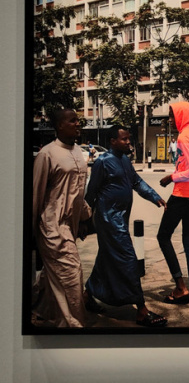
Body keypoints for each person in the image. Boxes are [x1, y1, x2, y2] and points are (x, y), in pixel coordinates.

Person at [84, 125, 168, 327]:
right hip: (108, 219)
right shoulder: (103, 162)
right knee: (129, 259)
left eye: (129, 139)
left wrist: (155, 197)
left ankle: (87, 296)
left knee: (106, 258)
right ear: (112, 141)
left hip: (121, 217)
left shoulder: (124, 160)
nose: (129, 142)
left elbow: (137, 182)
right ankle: (141, 310)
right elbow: (91, 193)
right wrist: (86, 221)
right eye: (124, 139)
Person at [31, 108, 94, 327]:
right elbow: (36, 194)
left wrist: (85, 219)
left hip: (71, 225)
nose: (78, 123)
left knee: (53, 275)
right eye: (72, 121)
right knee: (71, 273)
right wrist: (32, 233)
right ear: (59, 125)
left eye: (78, 120)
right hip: (52, 227)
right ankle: (73, 323)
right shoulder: (47, 154)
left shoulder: (78, 152)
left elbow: (77, 192)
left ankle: (41, 309)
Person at [156, 102, 189, 305]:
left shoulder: (184, 136)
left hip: (184, 194)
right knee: (188, 238)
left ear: (181, 115)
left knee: (163, 237)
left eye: (172, 115)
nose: (170, 119)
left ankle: (180, 287)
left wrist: (171, 177)